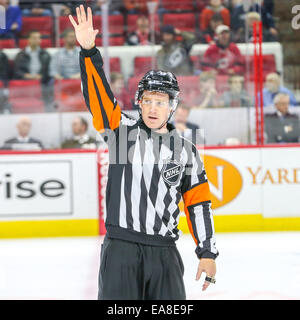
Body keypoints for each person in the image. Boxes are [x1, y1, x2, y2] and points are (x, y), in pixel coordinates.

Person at [69, 5, 218, 300]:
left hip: (164, 254)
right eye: (148, 100)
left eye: (161, 102)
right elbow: (98, 97)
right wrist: (89, 52)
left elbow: (198, 204)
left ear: (172, 107)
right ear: (138, 101)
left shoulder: (186, 151)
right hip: (120, 252)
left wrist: (207, 251)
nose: (153, 108)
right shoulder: (121, 131)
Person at [13, 30, 54, 111]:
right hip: (25, 83)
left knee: (50, 86)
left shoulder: (45, 54)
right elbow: (17, 71)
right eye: (34, 38)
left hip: (42, 82)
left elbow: (48, 71)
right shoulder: (21, 54)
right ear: (29, 40)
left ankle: (48, 111)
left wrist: (41, 76)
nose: (37, 40)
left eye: (39, 38)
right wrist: (27, 76)